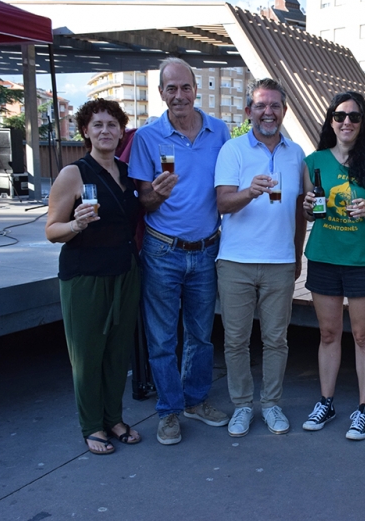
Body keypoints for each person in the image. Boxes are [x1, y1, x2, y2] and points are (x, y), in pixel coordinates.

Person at [129, 57, 231, 445]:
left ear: (195, 88)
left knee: (201, 335)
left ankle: (195, 400)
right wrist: (157, 193)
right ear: (161, 94)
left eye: (184, 87)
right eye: (170, 89)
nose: (179, 95)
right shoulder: (147, 137)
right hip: (163, 250)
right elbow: (143, 200)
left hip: (207, 249)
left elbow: (229, 185)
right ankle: (169, 411)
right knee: (161, 338)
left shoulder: (219, 131)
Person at [46, 98, 141, 455]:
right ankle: (91, 425)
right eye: (97, 124)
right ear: (85, 131)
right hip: (84, 275)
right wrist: (76, 223)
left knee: (117, 352)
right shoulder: (74, 173)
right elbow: (52, 230)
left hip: (124, 271)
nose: (105, 131)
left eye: (112, 124)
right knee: (87, 354)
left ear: (121, 131)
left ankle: (113, 418)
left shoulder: (125, 170)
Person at [300, 91, 365, 440]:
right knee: (327, 334)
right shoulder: (314, 162)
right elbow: (310, 212)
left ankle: (364, 409)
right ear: (331, 121)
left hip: (364, 261)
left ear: (363, 123)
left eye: (354, 117)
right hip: (325, 256)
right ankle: (326, 401)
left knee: (362, 335)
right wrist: (309, 207)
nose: (347, 122)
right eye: (340, 116)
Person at [215, 78, 306, 437]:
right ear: (248, 111)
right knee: (235, 340)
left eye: (275, 105)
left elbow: (301, 210)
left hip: (280, 261)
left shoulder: (296, 152)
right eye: (261, 105)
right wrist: (249, 192)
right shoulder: (233, 150)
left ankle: (270, 404)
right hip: (235, 261)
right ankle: (241, 405)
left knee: (276, 340)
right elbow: (222, 202)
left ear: (284, 110)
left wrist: (296, 256)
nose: (268, 111)